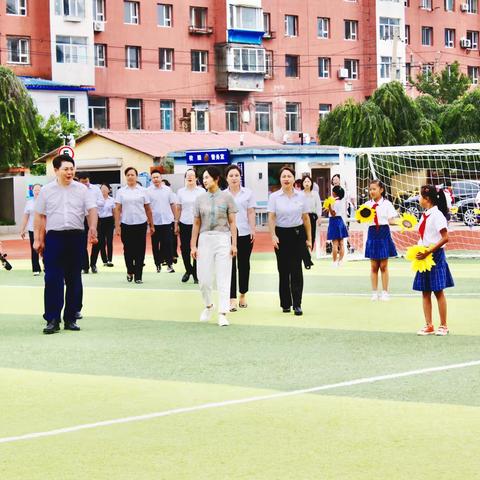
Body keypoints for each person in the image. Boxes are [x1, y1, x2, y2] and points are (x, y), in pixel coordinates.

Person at [33, 154, 98, 334]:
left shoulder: (82, 190)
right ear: (56, 170)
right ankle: (52, 319)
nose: (70, 172)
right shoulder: (46, 190)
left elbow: (92, 210)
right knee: (52, 278)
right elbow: (39, 215)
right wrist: (38, 239)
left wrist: (93, 228)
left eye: (72, 169)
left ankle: (71, 317)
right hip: (54, 238)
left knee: (74, 278)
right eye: (66, 169)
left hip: (76, 237)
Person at [191, 166, 238, 327]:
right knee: (203, 279)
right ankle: (209, 305)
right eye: (203, 178)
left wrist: (234, 244)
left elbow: (232, 222)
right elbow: (196, 223)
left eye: (207, 177)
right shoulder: (199, 199)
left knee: (223, 277)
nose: (204, 181)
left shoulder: (227, 198)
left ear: (216, 178)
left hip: (223, 239)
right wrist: (193, 246)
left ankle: (223, 313)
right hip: (204, 239)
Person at [268, 166, 312, 316]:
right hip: (281, 235)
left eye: (289, 176)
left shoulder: (301, 196)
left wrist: (309, 239)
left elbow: (306, 218)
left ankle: (297, 304)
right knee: (283, 270)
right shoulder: (274, 197)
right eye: (283, 176)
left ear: (294, 179)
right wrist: (273, 235)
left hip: (298, 234)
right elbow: (272, 217)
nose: (286, 179)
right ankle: (285, 303)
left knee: (296, 270)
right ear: (280, 179)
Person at [414, 185, 454, 336]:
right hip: (424, 255)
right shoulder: (425, 215)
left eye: (420, 196)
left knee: (438, 291)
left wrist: (429, 251)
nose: (418, 199)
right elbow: (424, 236)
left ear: (427, 199)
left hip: (435, 255)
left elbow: (445, 238)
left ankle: (443, 325)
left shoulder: (437, 215)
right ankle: (428, 325)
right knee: (425, 292)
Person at [115, 167, 154, 284]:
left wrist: (151, 224)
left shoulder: (143, 191)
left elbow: (148, 209)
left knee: (140, 250)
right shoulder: (121, 191)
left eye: (132, 175)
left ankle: (138, 276)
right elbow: (117, 209)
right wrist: (117, 226)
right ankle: (130, 270)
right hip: (126, 224)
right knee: (128, 250)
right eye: (128, 175)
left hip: (141, 224)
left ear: (136, 177)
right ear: (125, 177)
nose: (130, 177)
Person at [226, 165, 256, 311]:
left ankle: (242, 294)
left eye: (236, 175)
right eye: (231, 175)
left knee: (244, 265)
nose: (234, 178)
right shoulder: (222, 195)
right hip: (227, 234)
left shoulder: (248, 193)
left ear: (240, 177)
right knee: (229, 266)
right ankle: (231, 298)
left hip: (244, 233)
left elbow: (250, 212)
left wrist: (253, 229)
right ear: (226, 178)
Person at [364, 179, 398, 301]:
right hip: (372, 233)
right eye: (370, 189)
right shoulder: (367, 205)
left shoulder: (387, 204)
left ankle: (385, 292)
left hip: (383, 233)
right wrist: (360, 216)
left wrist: (403, 223)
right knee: (374, 266)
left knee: (383, 265)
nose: (371, 191)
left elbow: (391, 220)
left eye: (374, 189)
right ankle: (374, 292)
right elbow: (360, 218)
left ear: (381, 190)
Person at [175, 169, 204, 283]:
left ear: (196, 178)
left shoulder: (201, 191)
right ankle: (188, 270)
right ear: (185, 178)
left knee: (197, 247)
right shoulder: (181, 192)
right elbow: (178, 208)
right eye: (188, 175)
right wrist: (176, 222)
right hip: (184, 223)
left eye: (192, 175)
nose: (190, 177)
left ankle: (196, 273)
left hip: (198, 224)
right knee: (184, 248)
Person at [147, 170, 177, 273]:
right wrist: (149, 223)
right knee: (156, 244)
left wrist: (175, 219)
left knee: (168, 243)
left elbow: (173, 204)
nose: (156, 179)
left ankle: (169, 264)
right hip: (154, 222)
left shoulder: (168, 190)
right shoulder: (148, 191)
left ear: (161, 178)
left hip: (167, 221)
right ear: (151, 179)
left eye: (157, 177)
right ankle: (158, 264)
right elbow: (147, 208)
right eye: (153, 177)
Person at [77, 172, 104, 274]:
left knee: (97, 241)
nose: (85, 184)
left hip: (95, 217)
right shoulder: (75, 189)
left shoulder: (95, 189)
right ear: (79, 181)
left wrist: (91, 204)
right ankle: (85, 266)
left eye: (86, 182)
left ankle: (93, 264)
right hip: (81, 218)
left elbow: (101, 202)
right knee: (82, 242)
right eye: (82, 182)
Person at [90, 183, 115, 270]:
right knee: (101, 241)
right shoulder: (97, 200)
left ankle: (110, 259)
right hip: (100, 221)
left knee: (109, 240)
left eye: (105, 189)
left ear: (109, 190)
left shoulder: (112, 200)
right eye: (102, 189)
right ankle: (104, 260)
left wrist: (116, 223)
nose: (104, 191)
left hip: (109, 220)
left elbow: (114, 211)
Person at [20, 183, 42, 276]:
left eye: (39, 189)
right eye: (35, 190)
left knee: (46, 249)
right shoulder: (29, 202)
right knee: (34, 249)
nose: (37, 191)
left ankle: (47, 266)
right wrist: (22, 229)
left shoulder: (46, 201)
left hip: (45, 229)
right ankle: (36, 268)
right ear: (32, 191)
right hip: (32, 229)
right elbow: (26, 217)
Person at [301, 174, 321, 269]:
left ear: (311, 183)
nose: (307, 183)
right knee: (303, 236)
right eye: (305, 181)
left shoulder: (315, 194)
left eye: (308, 181)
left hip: (312, 216)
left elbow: (318, 206)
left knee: (311, 236)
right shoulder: (300, 194)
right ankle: (307, 257)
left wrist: (319, 217)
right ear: (302, 183)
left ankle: (308, 255)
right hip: (302, 217)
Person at [326, 186, 349, 267]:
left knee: (335, 244)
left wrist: (329, 206)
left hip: (334, 221)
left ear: (335, 193)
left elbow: (333, 213)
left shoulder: (333, 201)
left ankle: (334, 262)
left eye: (333, 191)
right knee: (341, 243)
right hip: (340, 221)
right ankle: (340, 261)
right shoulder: (342, 201)